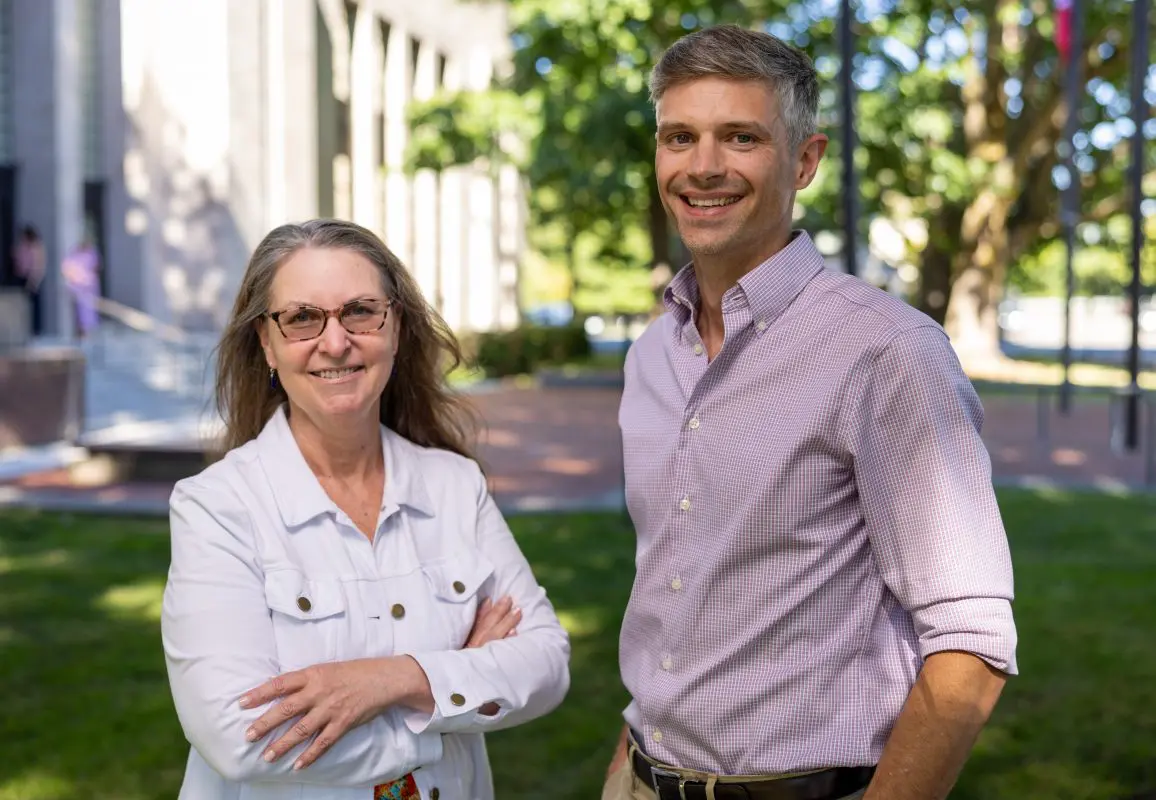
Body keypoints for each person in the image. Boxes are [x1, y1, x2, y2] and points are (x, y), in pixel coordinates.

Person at [605, 25, 1016, 800]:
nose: (702, 167)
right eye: (679, 137)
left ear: (805, 160)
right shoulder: (652, 356)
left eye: (740, 137)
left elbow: (971, 639)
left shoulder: (887, 351)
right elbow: (671, 590)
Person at [161, 218, 571, 800]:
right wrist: (444, 707)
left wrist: (394, 678)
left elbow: (546, 663)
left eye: (360, 310)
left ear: (396, 327)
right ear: (266, 344)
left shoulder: (455, 486)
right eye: (302, 317)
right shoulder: (219, 506)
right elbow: (239, 737)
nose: (335, 342)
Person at [61, 237, 101, 338]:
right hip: (78, 289)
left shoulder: (90, 254)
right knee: (79, 313)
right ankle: (81, 333)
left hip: (88, 288)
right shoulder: (74, 256)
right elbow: (66, 270)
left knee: (88, 312)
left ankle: (87, 333)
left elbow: (96, 267)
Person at [12, 224, 46, 335]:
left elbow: (38, 266)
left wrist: (33, 281)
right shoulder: (22, 247)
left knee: (34, 307)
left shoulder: (36, 247)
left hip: (33, 279)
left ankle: (35, 331)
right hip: (21, 278)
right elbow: (18, 263)